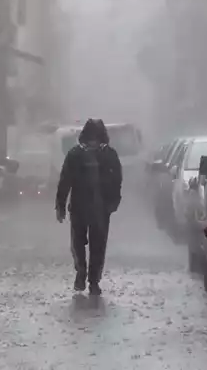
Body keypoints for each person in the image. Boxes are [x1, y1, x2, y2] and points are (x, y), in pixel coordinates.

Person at [55, 118, 123, 296]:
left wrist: (113, 201)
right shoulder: (85, 154)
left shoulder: (83, 154)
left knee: (90, 245)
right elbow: (65, 180)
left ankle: (89, 277)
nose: (93, 142)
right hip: (87, 208)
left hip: (93, 208)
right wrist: (60, 204)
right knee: (88, 244)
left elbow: (116, 180)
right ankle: (86, 276)